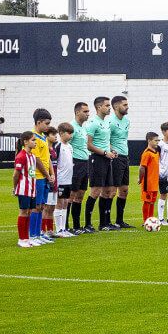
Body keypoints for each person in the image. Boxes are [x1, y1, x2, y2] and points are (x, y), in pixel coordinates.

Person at [84, 96, 113, 230]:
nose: (109, 108)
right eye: (107, 105)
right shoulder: (93, 122)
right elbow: (89, 145)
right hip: (97, 159)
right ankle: (88, 224)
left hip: (107, 158)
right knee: (95, 191)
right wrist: (105, 153)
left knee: (107, 191)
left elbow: (105, 142)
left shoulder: (107, 122)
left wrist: (111, 150)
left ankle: (104, 223)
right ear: (99, 107)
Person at [29, 108, 54, 244]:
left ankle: (38, 233)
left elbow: (47, 157)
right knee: (36, 206)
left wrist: (52, 173)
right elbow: (37, 160)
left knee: (42, 205)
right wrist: (46, 174)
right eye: (47, 123)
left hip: (45, 176)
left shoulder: (43, 137)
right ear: (38, 122)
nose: (48, 126)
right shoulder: (32, 137)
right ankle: (32, 234)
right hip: (37, 176)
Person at [108, 95, 134, 228]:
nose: (127, 107)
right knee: (112, 190)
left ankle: (119, 220)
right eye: (124, 105)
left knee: (124, 190)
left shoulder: (127, 121)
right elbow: (105, 140)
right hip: (115, 158)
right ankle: (106, 221)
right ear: (116, 106)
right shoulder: (110, 122)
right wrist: (112, 150)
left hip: (125, 157)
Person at [13, 131, 39, 248]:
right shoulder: (21, 156)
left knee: (29, 212)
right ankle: (21, 239)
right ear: (25, 142)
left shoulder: (32, 156)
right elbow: (15, 175)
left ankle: (27, 238)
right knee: (23, 212)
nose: (35, 142)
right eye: (33, 140)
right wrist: (15, 188)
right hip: (24, 189)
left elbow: (32, 174)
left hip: (32, 189)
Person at [68, 102, 91, 233]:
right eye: (85, 111)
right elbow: (66, 145)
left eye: (88, 111)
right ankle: (65, 226)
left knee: (81, 194)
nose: (88, 114)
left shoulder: (84, 127)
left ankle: (77, 226)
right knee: (71, 194)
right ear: (77, 112)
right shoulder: (72, 127)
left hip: (85, 162)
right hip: (75, 163)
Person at [53, 123, 75, 238]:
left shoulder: (70, 146)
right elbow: (55, 163)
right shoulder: (58, 146)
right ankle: (58, 229)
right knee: (59, 203)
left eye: (72, 133)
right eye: (69, 133)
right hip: (60, 179)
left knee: (66, 202)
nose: (71, 135)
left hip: (68, 180)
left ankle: (63, 228)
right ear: (61, 133)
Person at [138, 132, 160, 224]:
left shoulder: (156, 152)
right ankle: (145, 220)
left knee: (152, 202)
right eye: (155, 140)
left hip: (155, 182)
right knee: (147, 201)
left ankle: (150, 219)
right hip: (148, 183)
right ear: (149, 140)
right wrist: (140, 178)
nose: (157, 142)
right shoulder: (146, 153)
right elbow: (142, 167)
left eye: (158, 140)